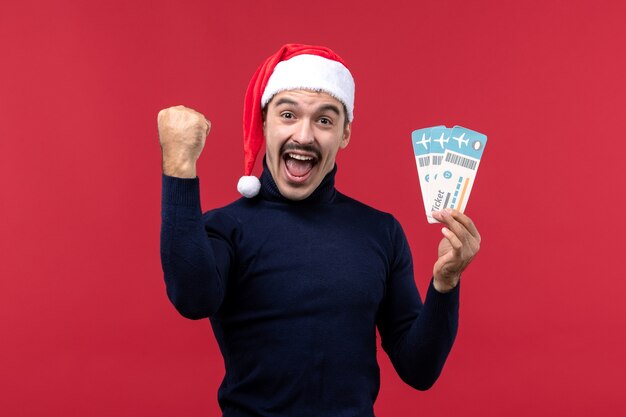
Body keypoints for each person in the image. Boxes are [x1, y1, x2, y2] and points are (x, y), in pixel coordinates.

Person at [158, 44, 481, 417]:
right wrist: (179, 166)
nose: (304, 136)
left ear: (344, 134)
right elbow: (192, 298)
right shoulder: (226, 227)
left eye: (325, 120)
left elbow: (419, 369)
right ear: (265, 123)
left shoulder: (381, 232)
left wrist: (446, 284)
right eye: (288, 115)